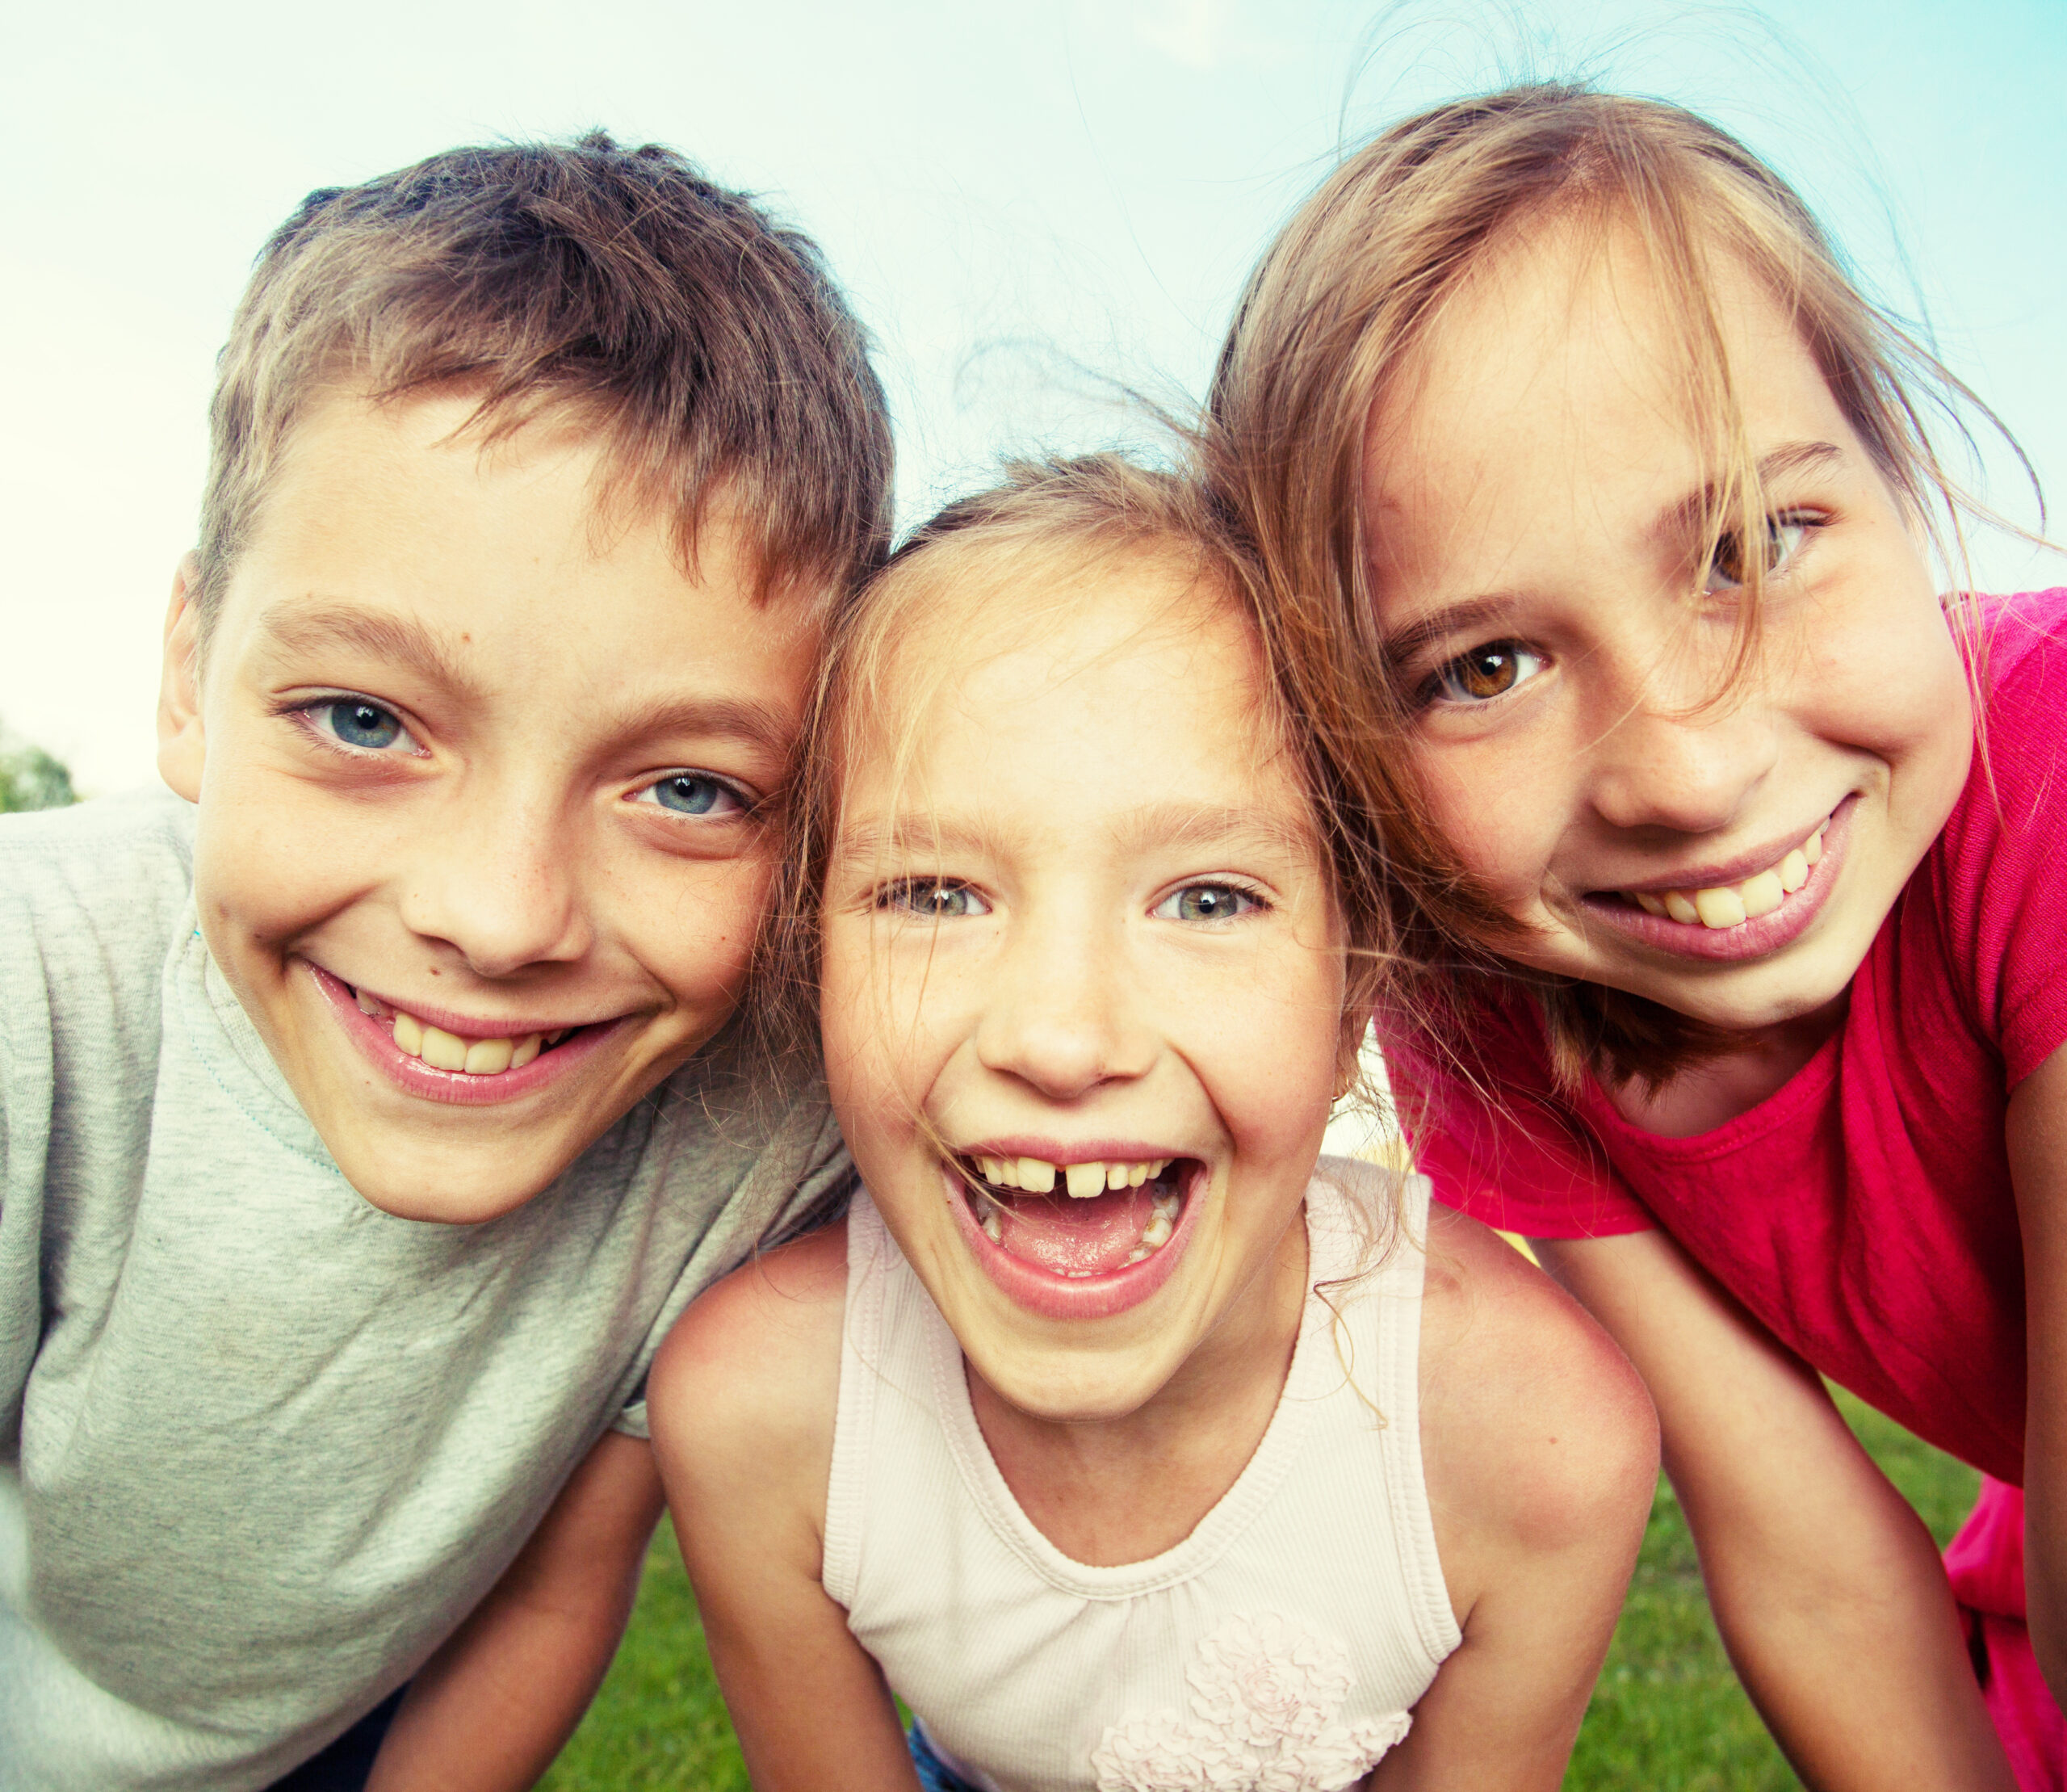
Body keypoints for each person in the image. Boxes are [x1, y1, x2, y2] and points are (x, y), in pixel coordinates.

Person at [0, 132, 891, 1790]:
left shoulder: (753, 1117)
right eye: (362, 720)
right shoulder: (37, 991)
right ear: (189, 674)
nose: (497, 915)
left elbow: (557, 1588)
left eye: (687, 790)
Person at [1210, 81, 2066, 1790]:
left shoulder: (2044, 762)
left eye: (1753, 546)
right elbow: (1807, 1563)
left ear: (1898, 485)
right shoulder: (1490, 1009)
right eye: (1482, 668)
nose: (1685, 769)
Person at [649, 456, 1658, 1792]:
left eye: (1209, 900)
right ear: (809, 956)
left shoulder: (1533, 1442)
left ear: (1359, 986)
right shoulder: (760, 1413)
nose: (1064, 1041)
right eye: (937, 895)